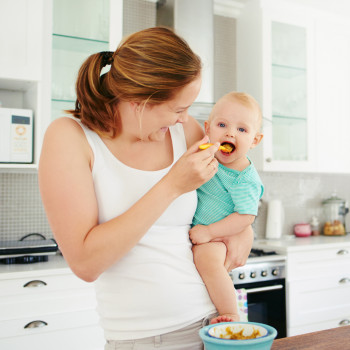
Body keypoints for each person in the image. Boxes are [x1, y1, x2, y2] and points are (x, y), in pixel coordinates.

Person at [38, 27, 254, 350]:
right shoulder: (70, 138)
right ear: (141, 101)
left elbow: (236, 184)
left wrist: (245, 230)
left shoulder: (184, 133)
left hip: (214, 326)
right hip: (141, 340)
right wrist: (171, 185)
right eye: (178, 109)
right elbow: (85, 263)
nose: (185, 120)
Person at [189, 91, 264, 324]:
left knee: (208, 262)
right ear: (208, 129)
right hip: (202, 233)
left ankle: (230, 312)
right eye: (222, 124)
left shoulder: (243, 177)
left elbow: (246, 216)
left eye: (242, 130)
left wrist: (210, 232)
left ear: (254, 141)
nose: (230, 133)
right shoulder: (204, 153)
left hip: (219, 237)